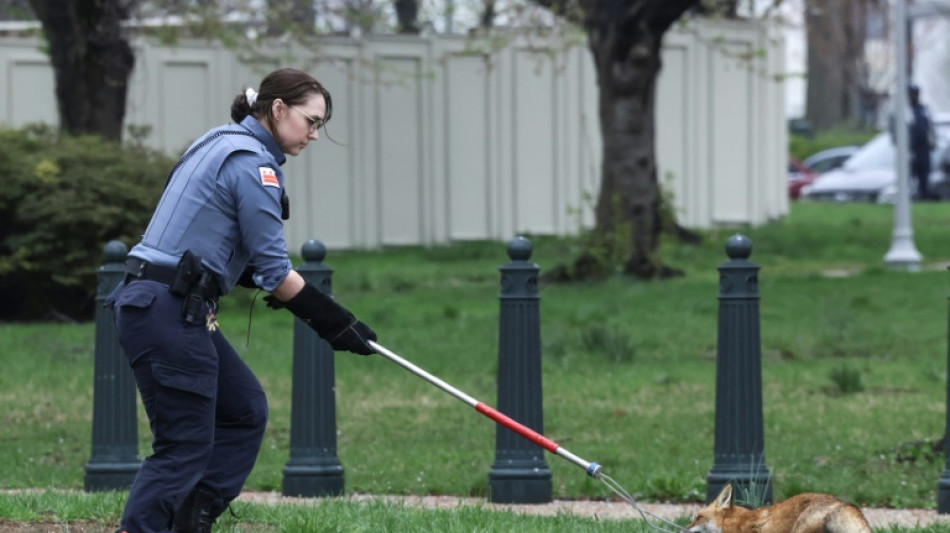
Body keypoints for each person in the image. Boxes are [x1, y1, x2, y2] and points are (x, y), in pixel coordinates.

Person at [108, 68, 377, 533]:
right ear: (277, 109)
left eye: (319, 125)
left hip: (163, 304)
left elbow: (208, 233)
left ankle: (190, 519)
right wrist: (338, 324)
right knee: (183, 446)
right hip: (167, 309)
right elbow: (275, 271)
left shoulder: (216, 140)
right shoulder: (256, 165)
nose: (314, 134)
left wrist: (243, 273)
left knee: (243, 410)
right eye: (311, 121)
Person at [908, 84, 935, 200]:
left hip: (924, 150)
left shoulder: (923, 110)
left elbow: (930, 128)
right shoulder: (906, 110)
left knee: (924, 177)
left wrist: (932, 142)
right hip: (910, 149)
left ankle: (923, 196)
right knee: (910, 178)